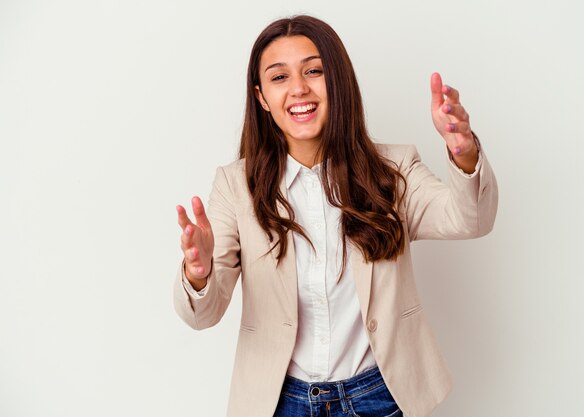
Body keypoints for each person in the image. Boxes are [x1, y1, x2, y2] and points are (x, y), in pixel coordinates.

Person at [173, 15, 498, 417]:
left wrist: (463, 153)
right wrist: (198, 272)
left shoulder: (394, 169)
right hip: (280, 402)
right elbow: (202, 315)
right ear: (260, 97)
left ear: (338, 82)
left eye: (314, 70)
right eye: (279, 77)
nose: (298, 89)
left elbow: (471, 219)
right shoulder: (235, 186)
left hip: (381, 397)